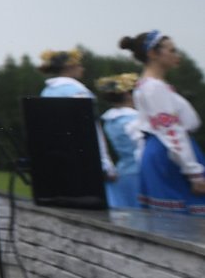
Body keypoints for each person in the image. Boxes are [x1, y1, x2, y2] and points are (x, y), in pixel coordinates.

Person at [121, 30, 205, 215]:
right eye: (171, 50)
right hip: (171, 154)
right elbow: (170, 130)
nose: (177, 55)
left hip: (165, 151)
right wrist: (194, 172)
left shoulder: (148, 86)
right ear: (153, 53)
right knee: (187, 223)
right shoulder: (154, 88)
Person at [37, 47, 113, 208]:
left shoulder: (46, 91)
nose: (82, 68)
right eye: (79, 65)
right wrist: (104, 162)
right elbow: (91, 131)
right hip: (83, 163)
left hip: (56, 162)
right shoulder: (78, 91)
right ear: (69, 67)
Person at [94, 72, 143, 211]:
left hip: (124, 171)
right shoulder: (134, 119)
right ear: (128, 94)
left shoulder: (110, 120)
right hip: (139, 172)